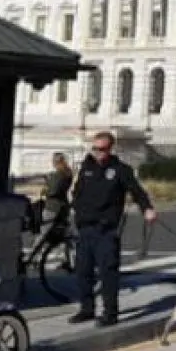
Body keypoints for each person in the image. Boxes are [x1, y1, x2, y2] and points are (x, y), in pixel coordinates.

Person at [68, 132, 156, 327]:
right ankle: (87, 309)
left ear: (110, 149)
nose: (98, 153)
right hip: (85, 228)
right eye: (95, 148)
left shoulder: (120, 170)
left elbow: (137, 191)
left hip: (105, 230)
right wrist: (76, 208)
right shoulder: (86, 168)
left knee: (108, 272)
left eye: (102, 149)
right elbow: (77, 192)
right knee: (83, 271)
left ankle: (110, 313)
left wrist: (147, 209)